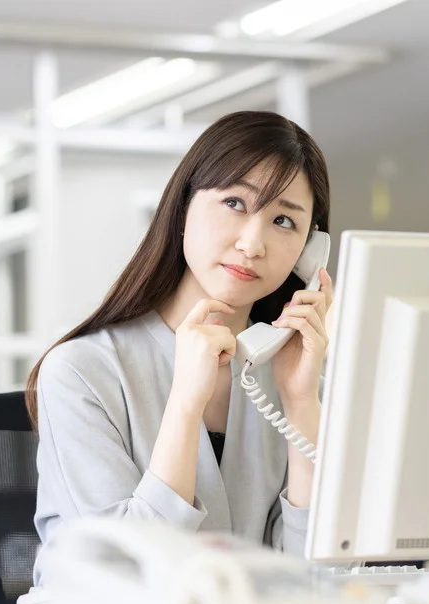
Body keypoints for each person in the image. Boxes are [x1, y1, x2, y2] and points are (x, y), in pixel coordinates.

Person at [26, 110, 332, 579]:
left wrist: (301, 402)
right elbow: (124, 572)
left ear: (309, 251)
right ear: (183, 208)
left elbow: (318, 578)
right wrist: (186, 402)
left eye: (284, 221)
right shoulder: (81, 370)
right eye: (234, 203)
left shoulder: (292, 377)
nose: (253, 244)